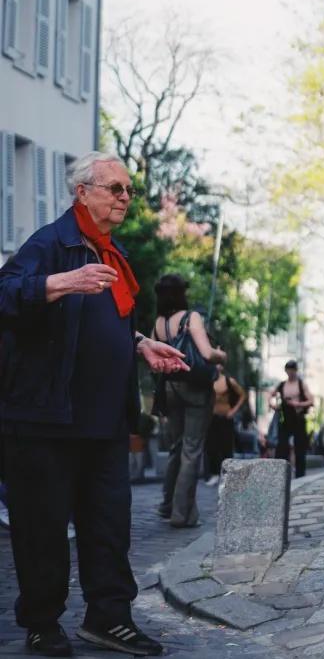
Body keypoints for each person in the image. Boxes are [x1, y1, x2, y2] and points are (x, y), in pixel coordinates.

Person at [0, 151, 189, 657]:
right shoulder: (51, 244)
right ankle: (42, 624)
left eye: (128, 190)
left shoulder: (109, 251)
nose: (125, 197)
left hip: (103, 422)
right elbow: (6, 295)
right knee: (41, 530)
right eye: (115, 188)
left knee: (109, 527)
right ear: (82, 191)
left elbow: (105, 325)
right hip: (44, 420)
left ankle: (109, 618)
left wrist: (141, 345)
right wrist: (63, 282)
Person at [153, 275, 226, 528]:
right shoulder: (190, 317)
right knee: (192, 449)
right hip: (195, 388)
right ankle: (182, 514)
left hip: (170, 387)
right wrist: (222, 355)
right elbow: (207, 353)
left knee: (177, 446)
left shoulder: (159, 323)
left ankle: (167, 505)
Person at [270, 360, 314, 477]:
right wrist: (272, 404)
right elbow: (271, 395)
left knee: (300, 447)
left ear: (295, 371)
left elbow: (311, 400)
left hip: (298, 417)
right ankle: (281, 473)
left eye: (292, 371)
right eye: (288, 371)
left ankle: (300, 473)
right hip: (285, 418)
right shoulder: (282, 385)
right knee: (282, 446)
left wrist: (298, 404)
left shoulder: (301, 384)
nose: (290, 373)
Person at [205, 365, 246, 486]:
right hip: (211, 417)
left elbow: (243, 395)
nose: (216, 366)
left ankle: (228, 474)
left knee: (226, 446)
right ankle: (214, 474)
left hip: (226, 416)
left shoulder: (229, 381)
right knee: (211, 446)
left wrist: (234, 411)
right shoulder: (208, 380)